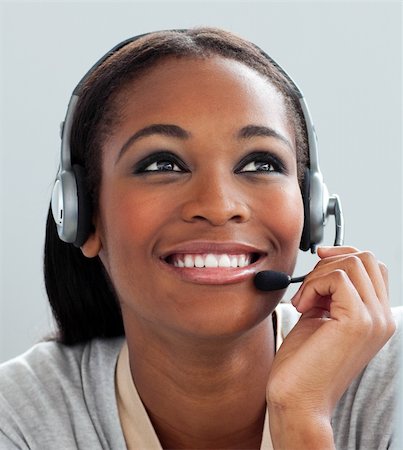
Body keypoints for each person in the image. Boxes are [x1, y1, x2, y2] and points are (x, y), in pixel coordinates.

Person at [0, 27, 400, 450]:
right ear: (83, 215)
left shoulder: (393, 383)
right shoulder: (17, 420)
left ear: (311, 208)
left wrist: (301, 415)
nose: (217, 204)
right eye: (161, 164)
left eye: (260, 164)